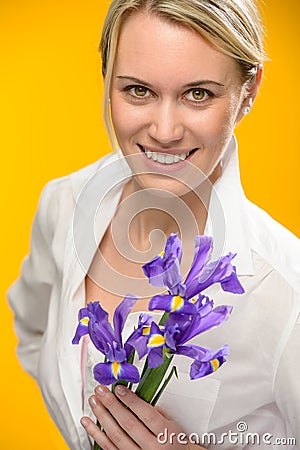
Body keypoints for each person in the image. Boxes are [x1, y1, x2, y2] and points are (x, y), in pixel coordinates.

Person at [8, 0, 300, 449]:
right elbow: (34, 336)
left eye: (198, 93)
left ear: (249, 92)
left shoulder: (286, 292)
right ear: (107, 80)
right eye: (138, 91)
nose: (164, 130)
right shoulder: (64, 204)